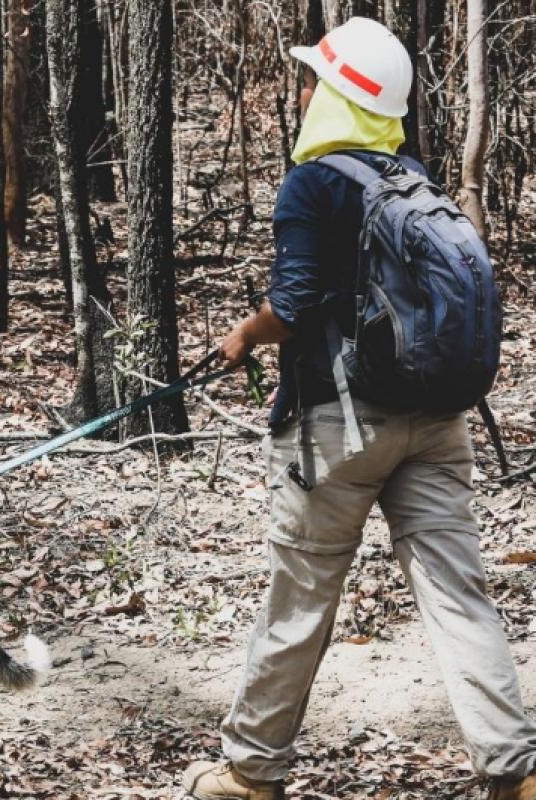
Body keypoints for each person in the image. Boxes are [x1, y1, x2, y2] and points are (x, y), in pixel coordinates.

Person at [181, 17, 536, 800]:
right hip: (438, 423)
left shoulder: (315, 181)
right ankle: (514, 771)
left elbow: (297, 303)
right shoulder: (414, 180)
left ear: (337, 96)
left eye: (315, 82)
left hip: (340, 430)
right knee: (457, 595)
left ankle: (250, 771)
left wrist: (247, 332)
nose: (304, 92)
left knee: (300, 597)